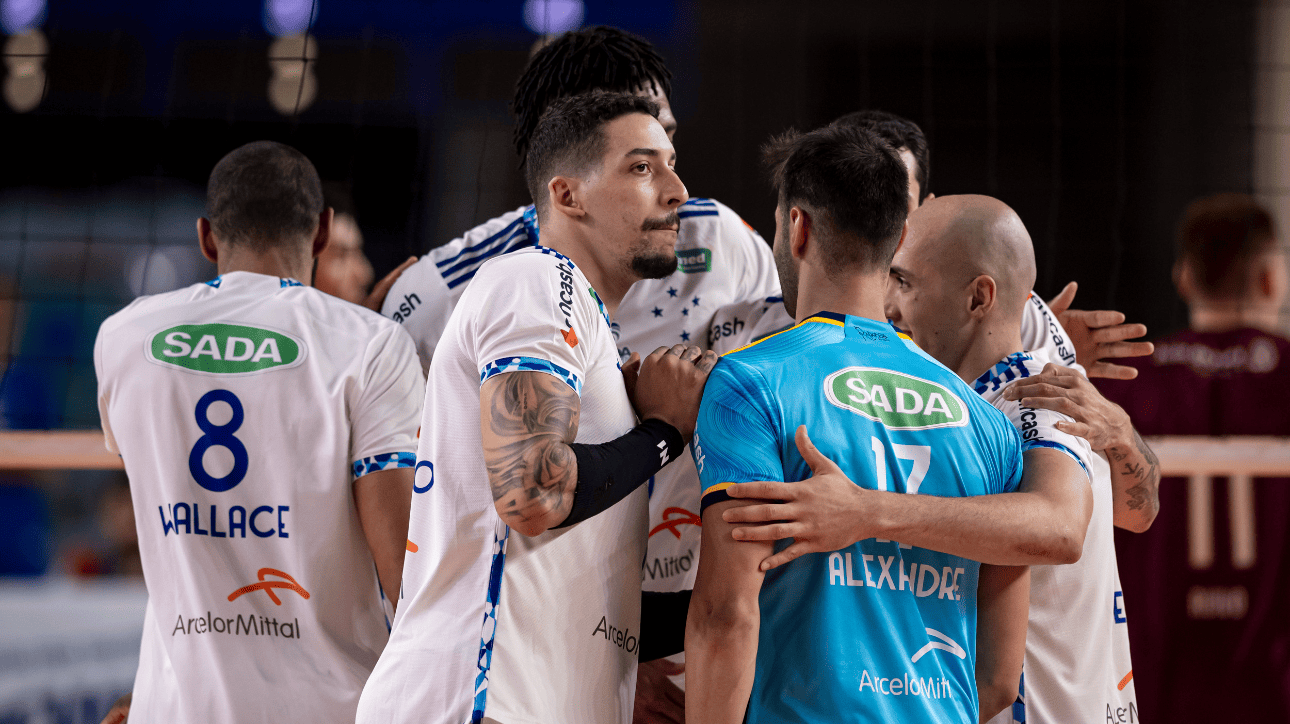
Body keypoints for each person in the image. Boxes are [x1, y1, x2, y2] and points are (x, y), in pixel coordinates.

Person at [374, 26, 781, 718]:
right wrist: (663, 432)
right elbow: (532, 495)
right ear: (568, 189)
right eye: (641, 165)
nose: (680, 189)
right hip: (479, 699)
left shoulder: (592, 322)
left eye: (671, 155)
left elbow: (560, 569)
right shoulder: (532, 280)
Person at [685, 124, 1030, 724]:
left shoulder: (750, 381)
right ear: (899, 237)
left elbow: (728, 618)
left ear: (797, 228)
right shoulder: (985, 418)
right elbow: (999, 678)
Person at [93, 141, 422, 724]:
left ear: (206, 237)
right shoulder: (371, 345)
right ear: (321, 233)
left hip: (175, 709)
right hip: (329, 708)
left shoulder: (122, 337)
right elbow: (404, 568)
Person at [886, 194, 1153, 723]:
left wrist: (863, 511)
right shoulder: (1053, 388)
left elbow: (1059, 530)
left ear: (978, 298)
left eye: (905, 283)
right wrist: (1125, 438)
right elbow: (1139, 512)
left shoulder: (1031, 401)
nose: (890, 307)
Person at [1087, 193, 1290, 722]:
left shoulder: (1124, 380)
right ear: (1272, 278)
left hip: (1154, 667)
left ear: (1183, 278)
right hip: (1275, 668)